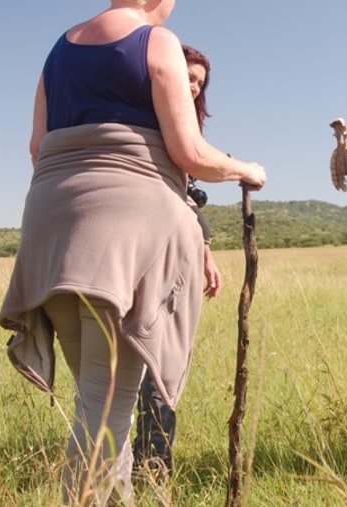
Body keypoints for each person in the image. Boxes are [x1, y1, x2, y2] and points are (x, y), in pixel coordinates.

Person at [0, 1, 266, 504]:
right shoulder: (155, 41)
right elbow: (189, 153)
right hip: (124, 238)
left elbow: (37, 148)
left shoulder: (58, 50)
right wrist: (246, 168)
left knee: (97, 400)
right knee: (107, 405)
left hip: (53, 233)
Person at [133, 43, 220, 471]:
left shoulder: (184, 131)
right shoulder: (142, 120)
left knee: (162, 358)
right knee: (137, 357)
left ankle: (152, 462)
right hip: (138, 247)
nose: (191, 85)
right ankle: (133, 463)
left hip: (173, 248)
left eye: (198, 83)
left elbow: (184, 195)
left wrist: (203, 248)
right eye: (186, 75)